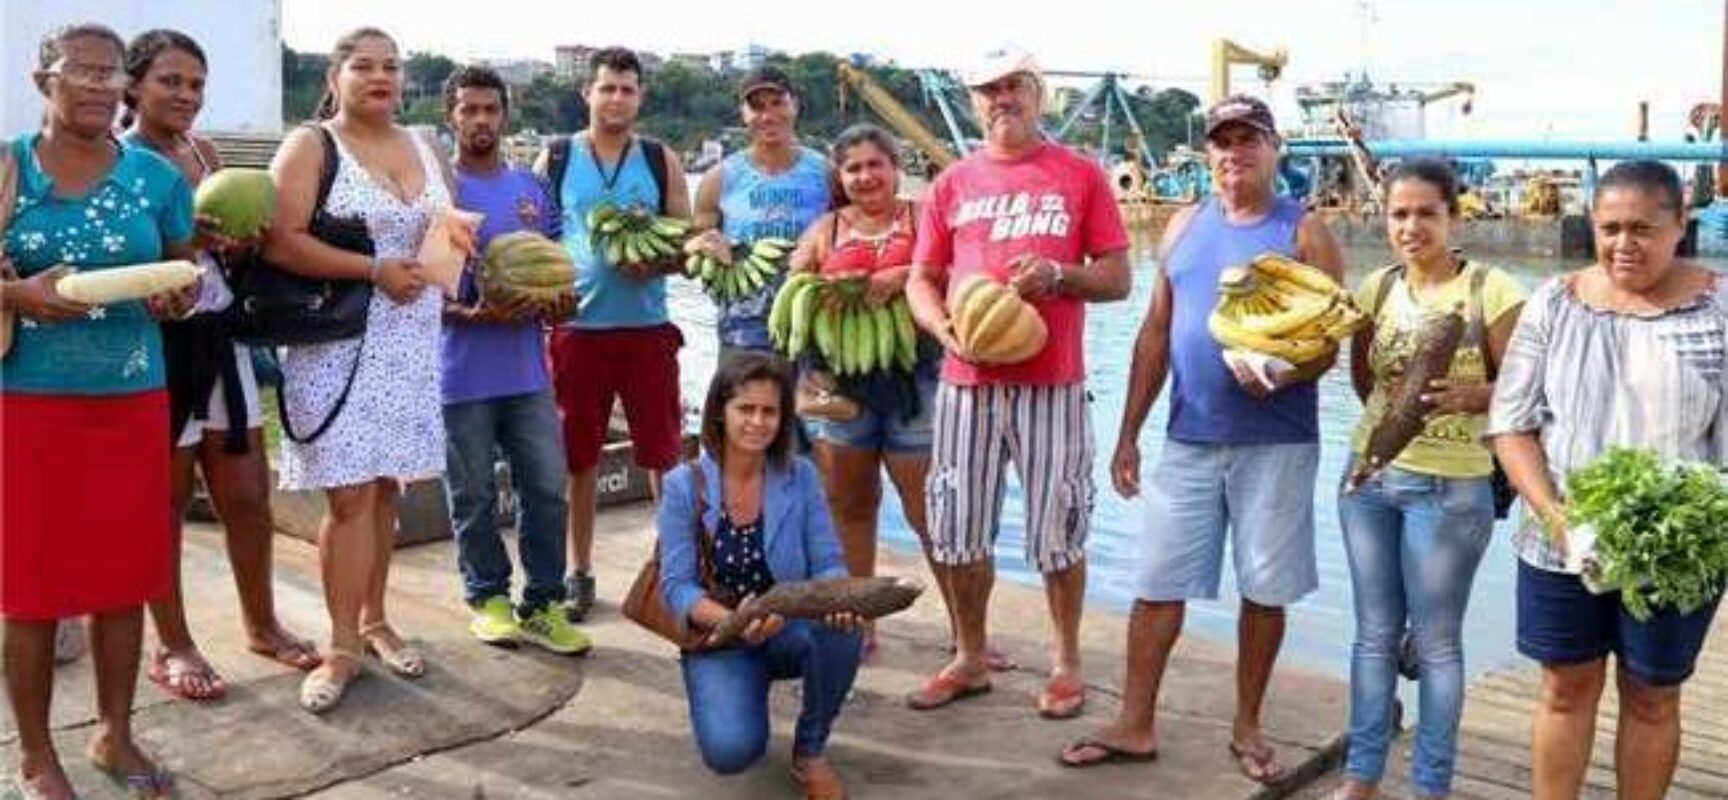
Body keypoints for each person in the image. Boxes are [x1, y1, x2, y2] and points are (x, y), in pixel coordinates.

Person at [1059, 94, 1344, 779]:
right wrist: (1128, 432)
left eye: (1248, 140)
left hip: (1276, 443)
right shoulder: (1185, 223)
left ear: (1275, 149)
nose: (1232, 153)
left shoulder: (1305, 231)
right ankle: (1135, 722)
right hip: (1187, 438)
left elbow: (1330, 343)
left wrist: (1282, 372)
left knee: (1264, 590)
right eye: (1221, 141)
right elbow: (1156, 332)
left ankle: (1247, 725)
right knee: (1157, 582)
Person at [902, 45, 1131, 719]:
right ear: (973, 101)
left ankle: (1065, 664)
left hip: (1052, 383)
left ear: (1037, 93)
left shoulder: (1080, 175)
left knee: (1059, 530)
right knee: (957, 529)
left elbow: (1117, 278)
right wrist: (942, 328)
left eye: (1013, 86)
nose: (1001, 98)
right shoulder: (952, 183)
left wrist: (1060, 277)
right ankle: (970, 656)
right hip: (966, 382)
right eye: (987, 89)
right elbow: (922, 278)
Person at [0, 23, 198, 799]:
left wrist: (181, 294)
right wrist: (19, 294)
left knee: (125, 578)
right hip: (28, 406)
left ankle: (116, 735)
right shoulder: (8, 168)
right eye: (77, 70)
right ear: (42, 77)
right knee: (32, 589)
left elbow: (187, 272)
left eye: (107, 73)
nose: (94, 85)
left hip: (131, 399)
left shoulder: (155, 176)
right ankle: (37, 753)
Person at [1488, 159, 1725, 800]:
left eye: (1644, 228)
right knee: (1565, 686)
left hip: (1676, 549)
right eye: (1611, 227)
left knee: (1653, 694)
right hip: (1559, 539)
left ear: (1681, 225)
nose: (1626, 244)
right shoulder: (1553, 305)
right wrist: (1562, 521)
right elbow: (1511, 426)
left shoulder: (1719, 311)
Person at [120, 27, 322, 703]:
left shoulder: (202, 151)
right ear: (134, 85)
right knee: (164, 505)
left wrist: (238, 244)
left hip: (223, 338)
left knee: (246, 497)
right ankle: (171, 644)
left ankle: (261, 624)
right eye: (169, 81)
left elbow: (224, 256)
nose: (185, 95)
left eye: (195, 84)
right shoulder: (122, 161)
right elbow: (133, 260)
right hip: (160, 349)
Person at [262, 26, 450, 713]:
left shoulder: (425, 145)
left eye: (392, 67)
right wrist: (373, 268)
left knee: (386, 489)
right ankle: (340, 644)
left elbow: (447, 231)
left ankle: (375, 620)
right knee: (346, 498)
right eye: (364, 66)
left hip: (410, 341)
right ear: (334, 77)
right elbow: (280, 240)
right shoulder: (311, 145)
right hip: (334, 342)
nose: (381, 77)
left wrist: (473, 266)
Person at [1331, 159, 1526, 800]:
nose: (1412, 226)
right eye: (1400, 214)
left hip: (1451, 490)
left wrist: (1481, 397)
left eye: (1426, 213)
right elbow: (1366, 382)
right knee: (1373, 635)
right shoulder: (1376, 290)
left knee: (1437, 645)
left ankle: (1430, 786)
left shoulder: (1490, 291)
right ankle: (1362, 777)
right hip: (1368, 482)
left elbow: (1533, 390)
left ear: (1454, 217)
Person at [658, 352, 863, 799]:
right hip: (721, 635)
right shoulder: (681, 484)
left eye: (769, 411)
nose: (757, 421)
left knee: (843, 629)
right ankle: (737, 689)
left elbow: (827, 559)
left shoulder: (801, 476)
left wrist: (839, 595)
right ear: (720, 412)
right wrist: (735, 621)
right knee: (731, 753)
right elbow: (677, 587)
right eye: (744, 409)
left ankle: (810, 751)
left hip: (788, 626)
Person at [534, 47, 690, 622]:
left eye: (627, 89)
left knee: (663, 455)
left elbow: (688, 240)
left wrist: (658, 260)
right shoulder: (554, 157)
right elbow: (535, 240)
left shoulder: (659, 159)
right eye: (607, 88)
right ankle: (580, 569)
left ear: (640, 97)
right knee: (579, 457)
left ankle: (674, 568)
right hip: (576, 329)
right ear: (588, 94)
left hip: (647, 328)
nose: (617, 98)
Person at [441, 65, 588, 654]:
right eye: (468, 109)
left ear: (505, 115)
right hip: (459, 373)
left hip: (528, 373)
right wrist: (472, 316)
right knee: (472, 494)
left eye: (490, 109)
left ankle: (545, 604)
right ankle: (489, 598)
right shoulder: (439, 191)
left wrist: (559, 302)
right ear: (450, 115)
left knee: (547, 490)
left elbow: (554, 275)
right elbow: (425, 288)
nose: (480, 120)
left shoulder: (534, 190)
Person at [787, 124, 942, 658]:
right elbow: (794, 287)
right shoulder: (825, 230)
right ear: (839, 176)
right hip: (838, 385)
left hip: (915, 379)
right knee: (849, 505)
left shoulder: (924, 218)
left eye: (875, 164)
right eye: (852, 168)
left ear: (896, 167)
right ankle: (860, 624)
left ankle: (967, 635)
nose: (865, 176)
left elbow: (953, 273)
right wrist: (818, 290)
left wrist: (904, 275)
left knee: (931, 510)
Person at [690, 65, 831, 360]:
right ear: (743, 114)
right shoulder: (718, 179)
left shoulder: (827, 173)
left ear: (795, 105)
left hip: (814, 324)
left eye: (777, 103)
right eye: (756, 107)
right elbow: (693, 248)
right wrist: (703, 244)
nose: (768, 116)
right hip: (742, 330)